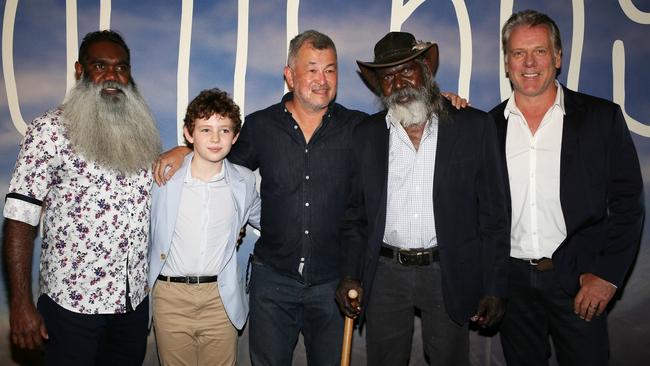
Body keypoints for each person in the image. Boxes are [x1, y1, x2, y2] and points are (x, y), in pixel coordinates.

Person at [153, 30, 367, 365]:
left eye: (330, 69)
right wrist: (184, 149)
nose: (322, 79)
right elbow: (216, 161)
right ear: (289, 75)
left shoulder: (360, 128)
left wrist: (448, 103)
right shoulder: (259, 126)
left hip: (332, 285)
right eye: (311, 69)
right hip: (273, 283)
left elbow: (407, 121)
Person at [334, 31, 510, 366]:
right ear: (379, 87)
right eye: (387, 77)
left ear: (425, 73)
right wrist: (350, 273)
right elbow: (355, 217)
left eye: (407, 71)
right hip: (385, 274)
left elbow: (494, 215)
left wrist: (495, 285)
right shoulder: (366, 136)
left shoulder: (473, 126)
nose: (399, 83)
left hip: (447, 270)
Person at [491, 10, 644, 366]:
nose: (529, 63)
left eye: (540, 51)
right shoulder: (487, 127)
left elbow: (628, 204)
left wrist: (607, 275)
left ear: (558, 57)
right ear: (506, 62)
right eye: (518, 53)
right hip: (511, 287)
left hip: (578, 281)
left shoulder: (601, 119)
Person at [2, 30, 161, 365]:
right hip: (71, 308)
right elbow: (19, 218)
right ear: (80, 70)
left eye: (121, 67)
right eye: (99, 65)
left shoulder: (143, 131)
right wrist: (20, 304)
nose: (112, 75)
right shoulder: (49, 130)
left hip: (131, 306)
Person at [148, 88, 261, 365]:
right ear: (189, 133)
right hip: (170, 297)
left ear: (235, 137)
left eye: (224, 130)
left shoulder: (244, 182)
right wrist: (179, 152)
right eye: (205, 129)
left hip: (219, 299)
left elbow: (270, 222)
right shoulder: (164, 177)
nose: (214, 138)